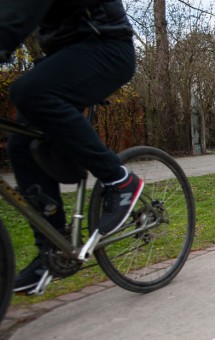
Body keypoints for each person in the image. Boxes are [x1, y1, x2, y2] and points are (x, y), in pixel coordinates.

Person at [0, 0, 144, 293]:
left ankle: (119, 179)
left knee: (28, 91)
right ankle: (50, 252)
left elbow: (18, 11)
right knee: (20, 143)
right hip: (66, 53)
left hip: (106, 44)